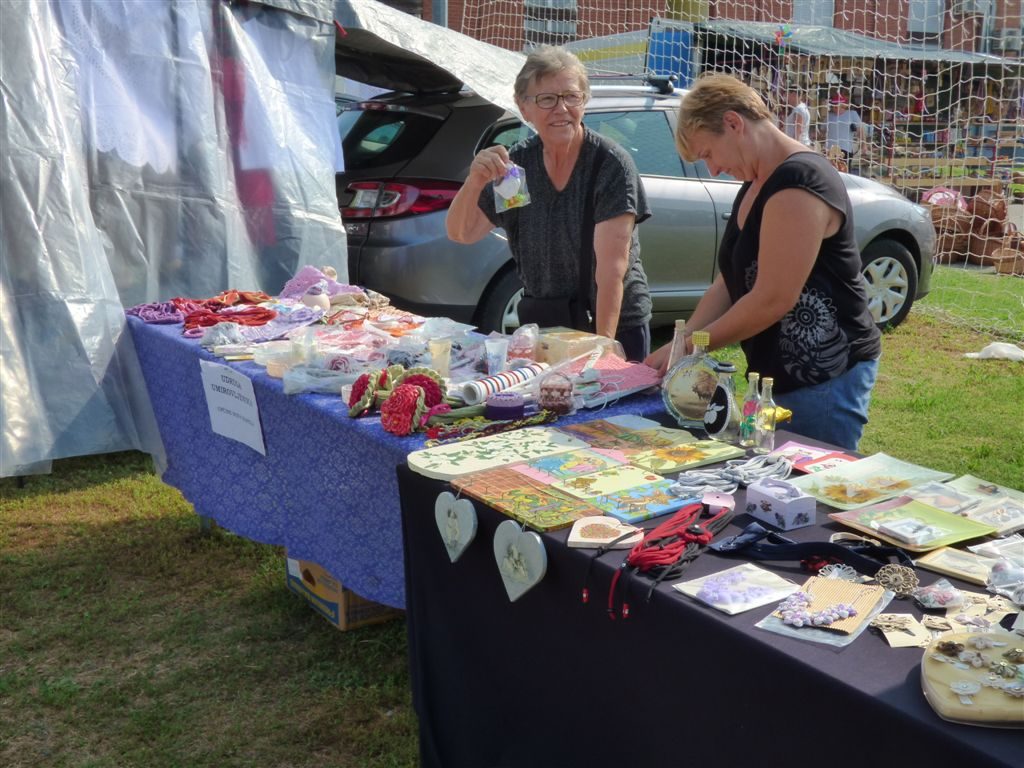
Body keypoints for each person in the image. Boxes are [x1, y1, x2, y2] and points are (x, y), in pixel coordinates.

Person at [644, 73, 881, 450]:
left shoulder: (799, 182)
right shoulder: (757, 182)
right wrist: (681, 341)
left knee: (806, 480)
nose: (712, 170)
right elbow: (730, 281)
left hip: (823, 379)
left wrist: (692, 347)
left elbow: (772, 297)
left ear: (733, 123)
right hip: (779, 375)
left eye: (708, 154)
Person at [446, 46, 652, 361]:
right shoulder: (516, 169)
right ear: (523, 107)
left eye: (571, 97)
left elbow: (611, 271)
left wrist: (603, 350)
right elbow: (462, 233)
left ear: (584, 101)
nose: (561, 109)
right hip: (546, 324)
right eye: (547, 99)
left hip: (611, 325)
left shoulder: (610, 164)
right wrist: (474, 181)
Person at [825, 93, 863, 166]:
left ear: (843, 106)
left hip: (845, 149)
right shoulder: (829, 116)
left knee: (844, 169)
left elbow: (860, 130)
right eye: (834, 107)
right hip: (830, 150)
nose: (835, 109)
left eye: (837, 107)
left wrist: (863, 144)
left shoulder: (852, 114)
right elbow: (823, 131)